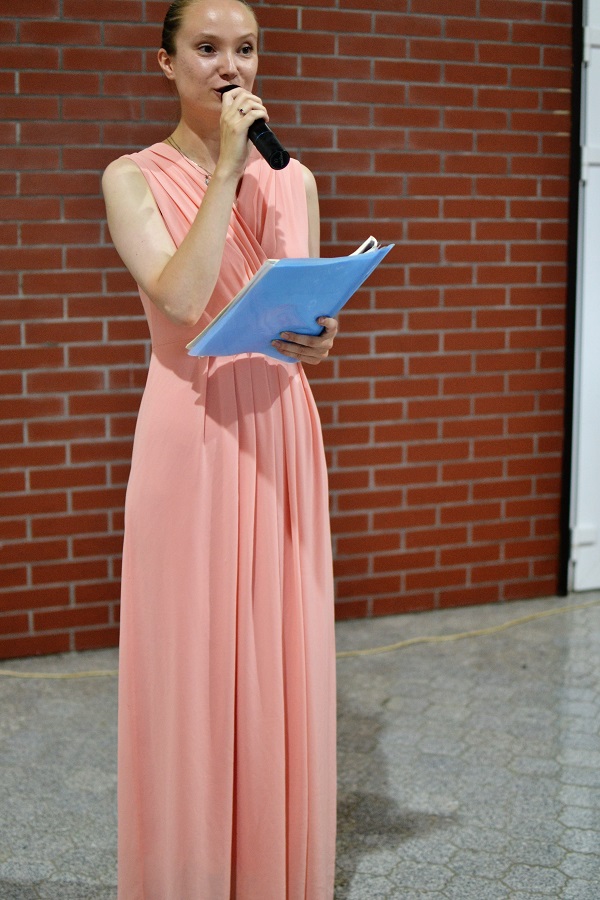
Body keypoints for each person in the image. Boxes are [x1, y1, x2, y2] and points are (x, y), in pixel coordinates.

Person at [101, 0, 338, 897]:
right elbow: (183, 298)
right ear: (166, 63)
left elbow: (301, 312)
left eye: (245, 48)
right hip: (191, 429)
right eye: (206, 48)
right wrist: (227, 167)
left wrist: (320, 336)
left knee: (280, 651)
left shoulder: (296, 178)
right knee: (192, 660)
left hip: (280, 420)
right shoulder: (130, 178)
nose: (229, 66)